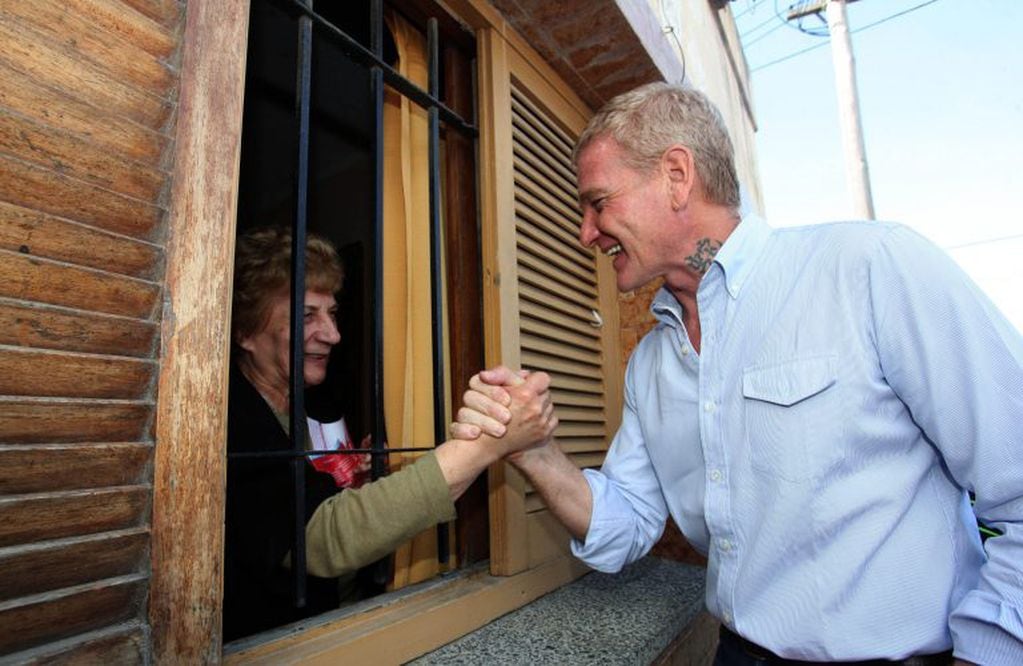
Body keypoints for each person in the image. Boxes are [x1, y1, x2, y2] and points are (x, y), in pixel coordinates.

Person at [453, 83, 1023, 665]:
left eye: (597, 202)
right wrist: (534, 451)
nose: (586, 233)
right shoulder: (651, 363)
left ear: (677, 175)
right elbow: (624, 527)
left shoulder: (869, 270)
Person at [223, 226, 556, 641]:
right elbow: (317, 539)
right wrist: (488, 445)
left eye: (332, 313)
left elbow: (304, 501)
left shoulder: (311, 402)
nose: (333, 334)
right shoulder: (231, 418)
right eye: (308, 315)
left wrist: (353, 482)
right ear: (245, 332)